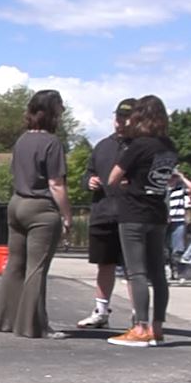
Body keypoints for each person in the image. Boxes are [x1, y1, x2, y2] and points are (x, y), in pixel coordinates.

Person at [0, 90, 71, 339]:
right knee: (36, 268)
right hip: (40, 208)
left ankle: (6, 320)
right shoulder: (52, 143)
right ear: (51, 112)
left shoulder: (22, 140)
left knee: (14, 264)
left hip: (16, 204)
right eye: (60, 107)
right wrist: (66, 215)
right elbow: (56, 184)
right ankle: (33, 326)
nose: (63, 111)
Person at [104, 95, 177, 347]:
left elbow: (113, 178)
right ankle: (157, 327)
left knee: (136, 272)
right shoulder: (169, 146)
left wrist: (126, 183)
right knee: (158, 273)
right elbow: (166, 178)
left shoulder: (138, 145)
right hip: (158, 212)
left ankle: (140, 327)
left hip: (133, 212)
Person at [78, 98, 138, 329]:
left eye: (126, 118)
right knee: (104, 264)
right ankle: (101, 311)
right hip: (103, 212)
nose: (120, 123)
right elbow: (89, 172)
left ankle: (138, 315)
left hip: (129, 214)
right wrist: (89, 181)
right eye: (118, 117)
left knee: (133, 268)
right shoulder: (103, 146)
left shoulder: (141, 146)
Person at [167, 167, 191, 279]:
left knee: (178, 247)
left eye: (174, 177)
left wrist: (182, 177)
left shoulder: (180, 189)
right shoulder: (162, 189)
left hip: (178, 220)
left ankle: (180, 272)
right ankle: (168, 271)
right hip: (164, 221)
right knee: (164, 248)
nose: (171, 180)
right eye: (170, 177)